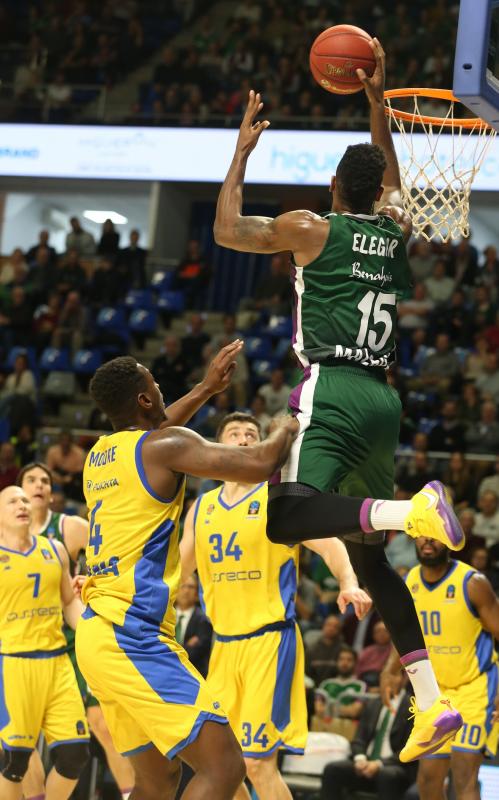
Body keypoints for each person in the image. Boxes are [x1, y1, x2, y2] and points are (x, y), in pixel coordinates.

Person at [213, 38, 464, 760]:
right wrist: (375, 104)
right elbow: (384, 177)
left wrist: (240, 155)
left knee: (285, 513)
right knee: (375, 561)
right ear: (378, 189)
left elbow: (229, 230)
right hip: (383, 397)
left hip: (333, 386)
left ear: (330, 187)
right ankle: (432, 702)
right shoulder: (394, 230)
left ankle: (411, 509)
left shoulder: (311, 229)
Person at [75, 343, 299, 800]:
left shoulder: (99, 455)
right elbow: (258, 464)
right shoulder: (162, 447)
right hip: (131, 635)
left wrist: (205, 389)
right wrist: (283, 425)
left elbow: (160, 433)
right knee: (225, 765)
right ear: (143, 399)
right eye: (153, 383)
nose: (159, 388)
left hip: (97, 634)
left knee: (157, 783)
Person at [180, 411, 371, 800]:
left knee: (256, 764)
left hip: (268, 642)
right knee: (221, 765)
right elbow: (176, 570)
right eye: (235, 434)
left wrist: (349, 582)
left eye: (252, 434)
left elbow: (331, 543)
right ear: (216, 449)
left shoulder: (278, 500)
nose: (246, 439)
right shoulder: (201, 509)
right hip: (223, 648)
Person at [17, 461, 136, 800]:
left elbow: (115, 556)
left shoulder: (68, 528)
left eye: (45, 481)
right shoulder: (4, 534)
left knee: (103, 725)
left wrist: (92, 584)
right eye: (31, 479)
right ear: (16, 492)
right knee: (20, 742)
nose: (39, 485)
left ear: (52, 493)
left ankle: (131, 794)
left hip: (70, 640)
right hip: (21, 643)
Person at [382, 536, 499, 800]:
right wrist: (391, 668)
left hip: (475, 690)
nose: (428, 541)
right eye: (422, 535)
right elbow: (403, 630)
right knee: (428, 779)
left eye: (435, 536)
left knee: (463, 775)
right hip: (436, 696)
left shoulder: (472, 584)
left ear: (449, 540)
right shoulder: (410, 581)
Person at [0, 485, 89, 799]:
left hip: (57, 662)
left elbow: (69, 604)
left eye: (25, 499)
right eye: (12, 501)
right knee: (14, 761)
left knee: (75, 754)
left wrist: (91, 631)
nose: (22, 504)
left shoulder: (55, 549)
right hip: (12, 664)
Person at [320, 672, 416, 800]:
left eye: (393, 675)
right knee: (333, 769)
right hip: (365, 763)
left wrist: (379, 764)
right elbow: (359, 739)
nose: (388, 680)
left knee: (386, 774)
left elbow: (410, 749)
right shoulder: (373, 703)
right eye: (385, 676)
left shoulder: (412, 707)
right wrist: (360, 758)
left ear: (404, 679)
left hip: (394, 767)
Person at [175, 573, 213, 678]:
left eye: (191, 587)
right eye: (182, 585)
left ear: (197, 593)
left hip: (194, 676)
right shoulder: (164, 617)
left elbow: (195, 654)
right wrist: (187, 645)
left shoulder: (204, 620)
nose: (186, 591)